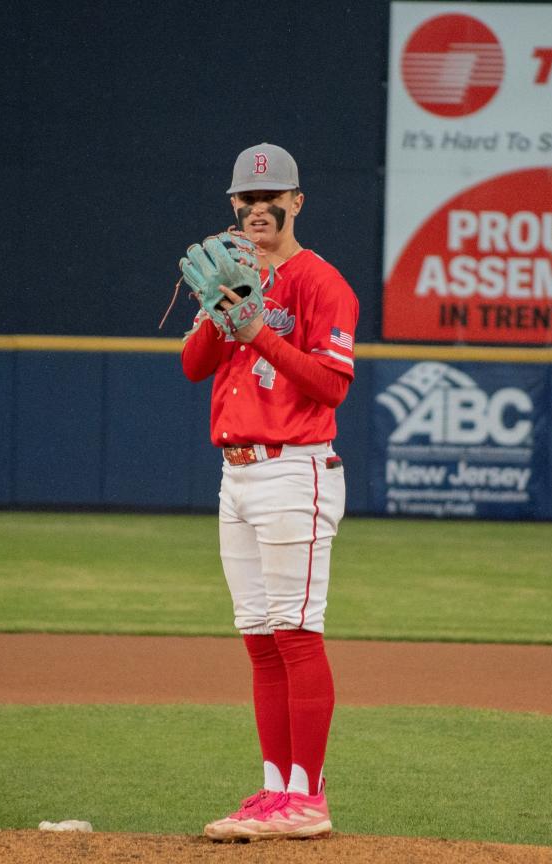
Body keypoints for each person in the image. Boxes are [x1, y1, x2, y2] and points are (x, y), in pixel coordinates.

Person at [180, 143, 360, 842]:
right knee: (259, 638)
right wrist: (218, 310)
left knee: (295, 630)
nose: (259, 209)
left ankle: (308, 798)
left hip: (295, 468)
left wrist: (256, 330)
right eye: (246, 200)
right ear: (233, 206)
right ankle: (275, 788)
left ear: (297, 202)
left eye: (272, 198)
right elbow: (195, 368)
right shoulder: (232, 274)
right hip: (238, 472)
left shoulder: (321, 283)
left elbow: (332, 384)